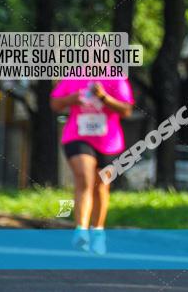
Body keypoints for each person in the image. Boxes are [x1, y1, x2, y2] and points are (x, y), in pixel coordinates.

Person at [50, 75, 134, 254]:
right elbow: (55, 104)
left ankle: (97, 233)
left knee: (101, 186)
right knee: (84, 178)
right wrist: (70, 99)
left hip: (108, 141)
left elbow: (126, 110)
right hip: (77, 136)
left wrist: (104, 97)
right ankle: (81, 231)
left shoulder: (116, 80)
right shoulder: (73, 77)